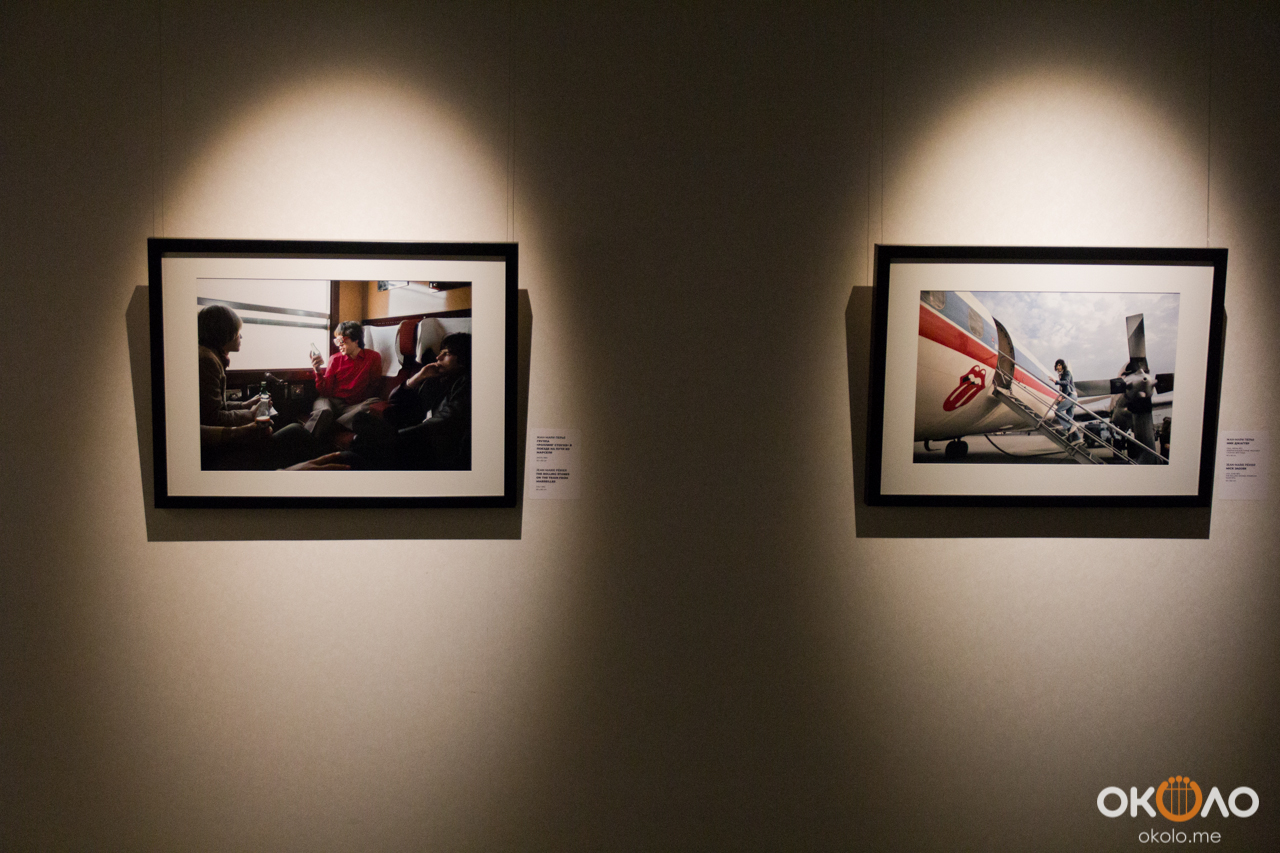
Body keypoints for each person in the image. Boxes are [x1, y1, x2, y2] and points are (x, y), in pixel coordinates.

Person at [197, 304, 315, 469]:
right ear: (225, 333)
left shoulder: (210, 356)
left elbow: (215, 407)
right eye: (237, 332)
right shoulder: (207, 360)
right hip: (215, 450)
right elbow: (211, 418)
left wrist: (246, 405)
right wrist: (250, 414)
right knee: (296, 432)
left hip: (217, 443)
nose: (241, 337)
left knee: (291, 430)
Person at [351, 332, 471, 470]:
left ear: (462, 359)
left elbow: (445, 420)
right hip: (413, 435)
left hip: (433, 444)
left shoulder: (467, 383)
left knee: (364, 446)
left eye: (447, 354)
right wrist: (418, 377)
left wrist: (398, 436)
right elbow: (395, 401)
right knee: (360, 419)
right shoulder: (437, 379)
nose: (438, 357)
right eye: (440, 353)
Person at [306, 320, 383, 445]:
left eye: (342, 341)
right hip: (330, 401)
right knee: (324, 411)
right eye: (336, 341)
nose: (339, 345)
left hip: (353, 407)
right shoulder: (335, 359)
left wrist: (356, 399)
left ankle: (332, 424)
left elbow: (374, 385)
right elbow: (325, 391)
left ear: (356, 340)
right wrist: (317, 371)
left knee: (374, 402)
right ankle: (303, 443)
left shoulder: (373, 357)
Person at [1053, 358, 1080, 444]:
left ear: (1062, 365)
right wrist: (1062, 397)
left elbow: (1066, 383)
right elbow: (1064, 388)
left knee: (1058, 411)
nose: (1058, 367)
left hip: (1072, 395)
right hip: (1070, 396)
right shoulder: (1062, 375)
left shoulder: (1067, 373)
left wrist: (1056, 381)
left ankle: (1073, 424)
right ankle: (1077, 439)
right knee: (1068, 419)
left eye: (1059, 365)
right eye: (1057, 365)